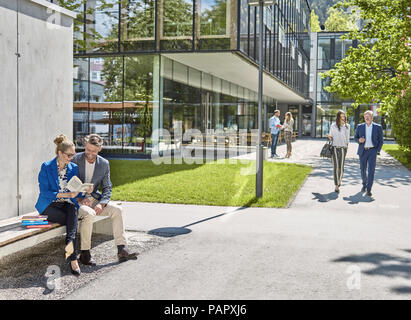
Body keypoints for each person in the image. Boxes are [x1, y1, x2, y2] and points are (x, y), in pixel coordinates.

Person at [72, 134, 138, 265]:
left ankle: (122, 249)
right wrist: (79, 199)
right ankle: (85, 253)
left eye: (94, 151)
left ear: (100, 149)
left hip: (94, 199)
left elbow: (107, 188)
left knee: (117, 210)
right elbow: (69, 183)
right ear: (85, 146)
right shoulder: (75, 159)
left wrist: (101, 204)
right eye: (88, 150)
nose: (90, 154)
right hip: (76, 200)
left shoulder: (104, 164)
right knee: (89, 214)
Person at [35, 134, 82, 276]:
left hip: (67, 204)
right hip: (49, 205)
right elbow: (45, 192)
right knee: (72, 224)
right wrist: (66, 195)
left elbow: (76, 191)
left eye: (73, 155)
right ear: (60, 153)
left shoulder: (73, 168)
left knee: (72, 216)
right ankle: (73, 259)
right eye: (68, 155)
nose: (71, 158)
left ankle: (71, 257)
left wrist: (83, 191)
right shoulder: (47, 166)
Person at [354, 110, 383, 196]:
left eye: (368, 116)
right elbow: (355, 138)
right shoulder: (360, 126)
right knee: (362, 169)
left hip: (372, 151)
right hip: (363, 151)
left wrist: (377, 150)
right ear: (364, 117)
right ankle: (364, 185)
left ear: (372, 117)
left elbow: (381, 140)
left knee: (371, 170)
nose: (367, 117)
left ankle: (369, 189)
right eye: (365, 116)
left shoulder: (378, 127)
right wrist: (359, 140)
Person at [327, 110, 350, 193]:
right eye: (341, 116)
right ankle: (336, 185)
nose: (343, 118)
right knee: (336, 167)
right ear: (338, 117)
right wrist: (328, 137)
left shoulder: (347, 126)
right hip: (335, 148)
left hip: (343, 148)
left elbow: (347, 139)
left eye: (344, 116)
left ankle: (340, 180)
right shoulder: (333, 125)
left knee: (341, 166)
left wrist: (347, 148)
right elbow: (331, 137)